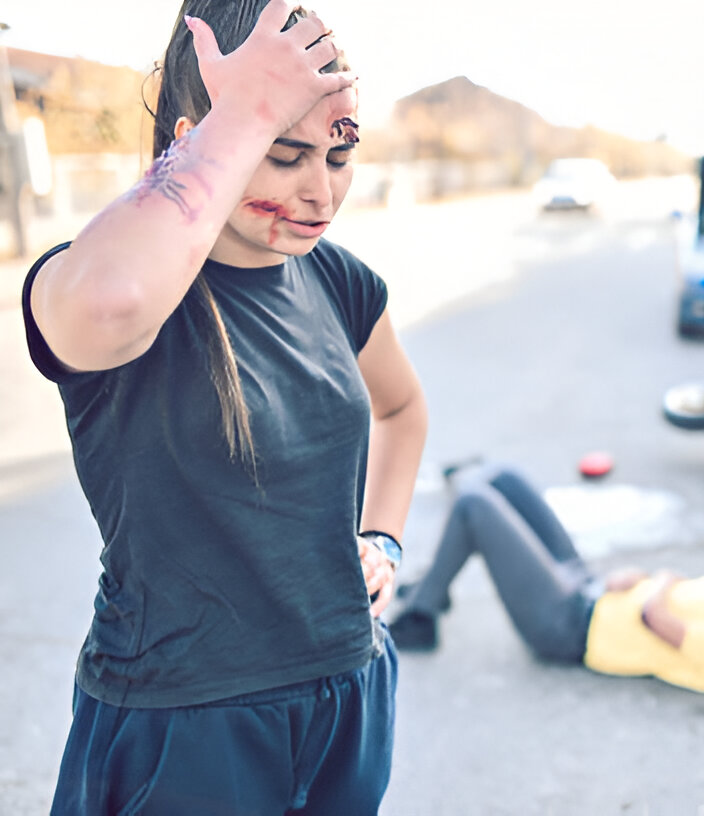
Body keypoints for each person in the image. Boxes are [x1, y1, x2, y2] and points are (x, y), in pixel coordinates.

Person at [22, 2, 428, 813]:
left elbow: (403, 410)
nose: (321, 192)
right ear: (200, 139)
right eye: (283, 153)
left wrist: (382, 537)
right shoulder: (113, 281)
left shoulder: (340, 281)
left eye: (339, 154)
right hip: (183, 726)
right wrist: (243, 113)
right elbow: (110, 302)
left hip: (346, 694)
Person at [387, 465, 704, 693]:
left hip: (566, 625)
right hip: (589, 586)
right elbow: (669, 596)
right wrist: (645, 578)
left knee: (475, 504)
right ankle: (433, 591)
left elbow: (658, 617)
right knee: (504, 481)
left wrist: (661, 580)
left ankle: (423, 614)